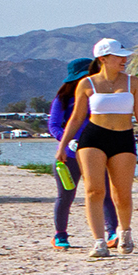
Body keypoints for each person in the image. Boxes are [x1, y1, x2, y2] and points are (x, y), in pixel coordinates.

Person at [60, 40, 138, 257]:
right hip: (93, 138)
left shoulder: (134, 83)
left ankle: (125, 232)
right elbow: (76, 118)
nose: (124, 60)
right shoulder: (87, 84)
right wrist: (62, 145)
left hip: (123, 139)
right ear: (103, 59)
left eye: (124, 56)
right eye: (118, 56)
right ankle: (98, 241)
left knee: (121, 194)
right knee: (94, 190)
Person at [46, 58, 116, 251]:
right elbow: (53, 126)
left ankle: (113, 232)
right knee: (66, 196)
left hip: (96, 152)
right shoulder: (62, 100)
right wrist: (68, 141)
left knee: (103, 193)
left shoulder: (100, 98)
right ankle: (60, 235)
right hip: (69, 155)